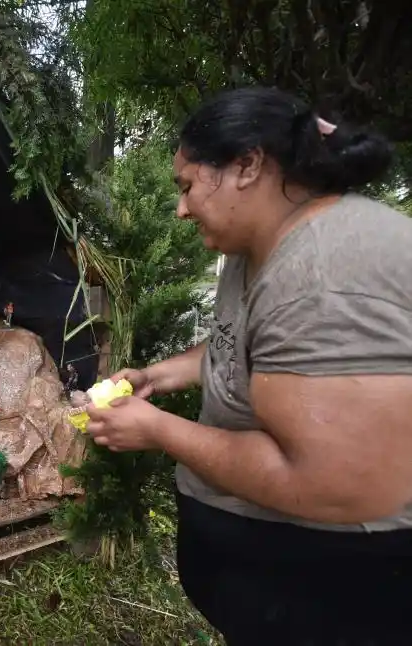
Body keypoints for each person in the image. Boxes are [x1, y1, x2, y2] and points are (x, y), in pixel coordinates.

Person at [84, 86, 412, 645]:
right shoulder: (253, 251)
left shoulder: (329, 270)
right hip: (275, 592)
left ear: (247, 165)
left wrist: (158, 429)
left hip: (337, 596)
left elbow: (323, 483)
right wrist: (152, 377)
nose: (180, 207)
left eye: (187, 185)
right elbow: (237, 347)